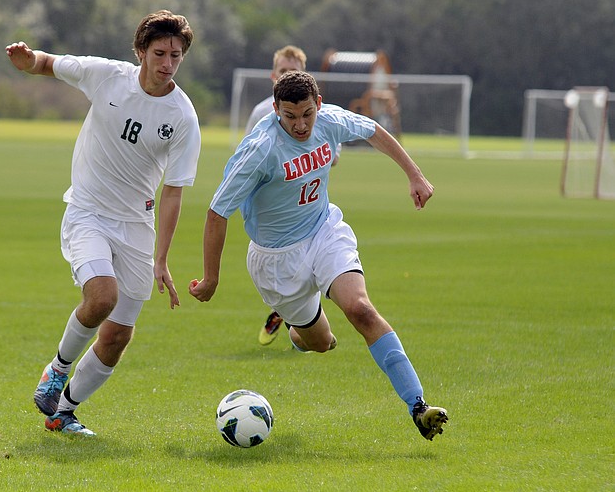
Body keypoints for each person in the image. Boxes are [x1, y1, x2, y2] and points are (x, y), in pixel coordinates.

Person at [189, 70, 448, 441]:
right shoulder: (260, 149)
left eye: (307, 114)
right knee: (320, 343)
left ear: (318, 105)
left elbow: (373, 130)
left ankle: (418, 407)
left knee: (360, 309)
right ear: (276, 109)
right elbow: (217, 212)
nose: (300, 125)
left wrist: (415, 175)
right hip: (276, 261)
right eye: (290, 117)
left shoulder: (328, 120)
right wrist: (211, 277)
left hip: (323, 231)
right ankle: (297, 330)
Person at [6, 10, 201, 437]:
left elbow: (174, 190)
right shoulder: (107, 76)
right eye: (159, 53)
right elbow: (48, 62)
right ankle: (57, 370)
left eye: (176, 55)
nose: (167, 63)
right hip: (87, 213)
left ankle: (64, 412)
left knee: (116, 337)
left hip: (136, 227)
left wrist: (161, 258)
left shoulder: (184, 116)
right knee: (101, 297)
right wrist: (28, 61)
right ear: (140, 52)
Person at [246, 45, 340, 346]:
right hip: (272, 212)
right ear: (274, 75)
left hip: (308, 204)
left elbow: (333, 154)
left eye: (294, 71)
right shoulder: (262, 113)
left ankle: (292, 314)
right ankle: (293, 313)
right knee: (284, 266)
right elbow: (247, 159)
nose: (287, 75)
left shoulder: (316, 113)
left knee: (308, 262)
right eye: (283, 71)